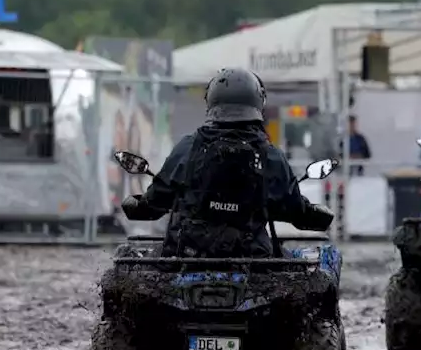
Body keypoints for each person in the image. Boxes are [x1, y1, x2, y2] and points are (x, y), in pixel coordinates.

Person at [121, 68, 333, 258]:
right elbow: (295, 210)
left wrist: (139, 205)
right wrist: (315, 214)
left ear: (211, 101)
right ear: (258, 103)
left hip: (188, 254)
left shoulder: (187, 148)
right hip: (251, 258)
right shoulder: (271, 156)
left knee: (131, 255)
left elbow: (156, 201)